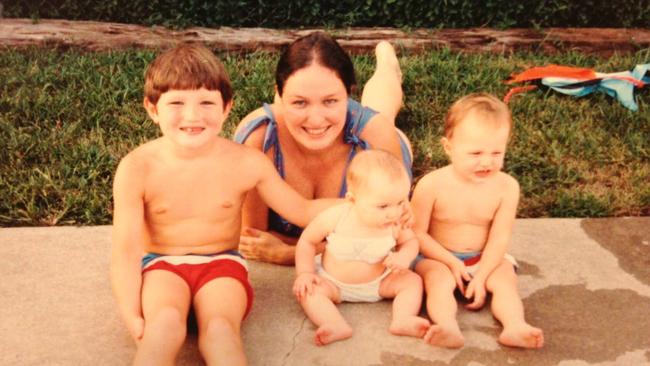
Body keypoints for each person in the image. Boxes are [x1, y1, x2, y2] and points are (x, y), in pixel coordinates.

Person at [110, 44, 335, 366]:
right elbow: (126, 251)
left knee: (220, 330)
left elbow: (300, 209)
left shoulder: (245, 162)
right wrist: (132, 315)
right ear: (152, 108)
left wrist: (355, 205)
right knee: (164, 325)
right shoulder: (137, 168)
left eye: (206, 102)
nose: (193, 116)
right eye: (176, 102)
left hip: (222, 265)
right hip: (162, 265)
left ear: (226, 107)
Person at [234, 32, 412, 265]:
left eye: (331, 101)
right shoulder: (259, 138)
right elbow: (254, 237)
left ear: (348, 95)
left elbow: (389, 234)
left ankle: (387, 69)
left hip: (372, 139)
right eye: (300, 102)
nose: (316, 119)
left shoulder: (376, 136)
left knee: (383, 113)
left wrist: (290, 253)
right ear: (279, 95)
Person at [411, 93, 544, 349]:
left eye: (497, 152)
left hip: (483, 257)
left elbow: (500, 237)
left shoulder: (507, 187)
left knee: (505, 280)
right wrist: (450, 262)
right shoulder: (431, 185)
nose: (487, 161)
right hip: (437, 257)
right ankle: (447, 325)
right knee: (438, 281)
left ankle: (515, 325)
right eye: (475, 153)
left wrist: (482, 275)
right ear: (448, 147)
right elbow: (417, 233)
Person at [293, 150, 429, 346]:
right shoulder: (336, 217)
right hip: (333, 283)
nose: (393, 213)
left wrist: (404, 257)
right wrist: (304, 273)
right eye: (382, 206)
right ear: (352, 199)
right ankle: (334, 323)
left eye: (400, 202)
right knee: (307, 291)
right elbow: (307, 242)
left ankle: (403, 318)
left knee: (413, 281)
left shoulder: (396, 222)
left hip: (380, 282)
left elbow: (410, 242)